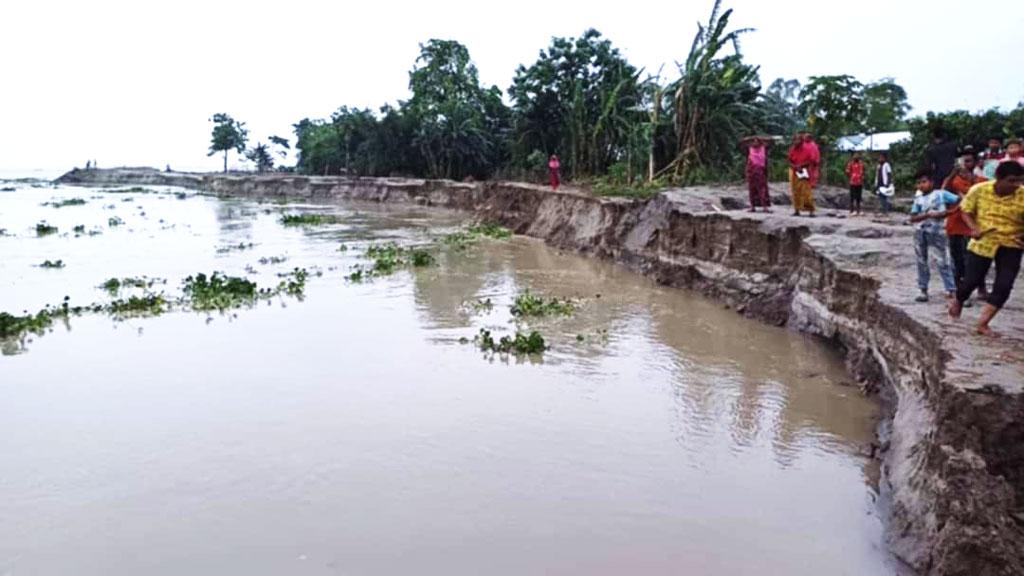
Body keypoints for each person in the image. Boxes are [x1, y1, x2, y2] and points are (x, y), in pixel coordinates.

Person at [949, 161, 1024, 336]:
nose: (1016, 185)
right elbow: (965, 210)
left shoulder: (1022, 195)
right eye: (1012, 181)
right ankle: (959, 299)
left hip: (1012, 243)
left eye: (1019, 181)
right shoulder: (979, 190)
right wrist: (973, 228)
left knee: (1004, 285)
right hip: (984, 241)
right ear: (999, 178)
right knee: (971, 281)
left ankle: (983, 323)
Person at [942, 152, 989, 303]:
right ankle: (960, 291)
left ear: (975, 163)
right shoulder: (953, 181)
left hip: (973, 225)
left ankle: (981, 288)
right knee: (958, 259)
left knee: (977, 259)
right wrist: (951, 175)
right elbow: (942, 192)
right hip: (955, 224)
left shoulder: (982, 181)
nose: (965, 165)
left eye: (968, 161)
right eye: (963, 162)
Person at [909, 171, 959, 303]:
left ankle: (951, 290)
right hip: (920, 232)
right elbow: (913, 217)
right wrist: (927, 215)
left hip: (938, 233)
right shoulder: (918, 199)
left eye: (924, 182)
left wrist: (949, 212)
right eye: (919, 183)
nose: (921, 185)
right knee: (921, 260)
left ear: (931, 182)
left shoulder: (941, 194)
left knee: (943, 260)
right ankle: (923, 289)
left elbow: (960, 201)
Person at [788, 132, 819, 217]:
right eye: (794, 140)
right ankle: (796, 210)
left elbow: (811, 160)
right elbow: (789, 160)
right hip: (794, 172)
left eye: (798, 140)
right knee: (795, 191)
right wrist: (794, 166)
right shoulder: (792, 149)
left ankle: (810, 210)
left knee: (806, 191)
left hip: (804, 171)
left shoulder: (807, 149)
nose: (796, 142)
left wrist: (801, 166)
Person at [741, 136, 772, 212]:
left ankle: (764, 206)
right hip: (751, 172)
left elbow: (770, 141)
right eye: (753, 141)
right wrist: (751, 138)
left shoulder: (763, 149)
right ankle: (752, 207)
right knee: (752, 190)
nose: (755, 143)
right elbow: (742, 142)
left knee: (762, 190)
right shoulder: (750, 150)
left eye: (757, 141)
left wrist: (759, 138)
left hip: (761, 172)